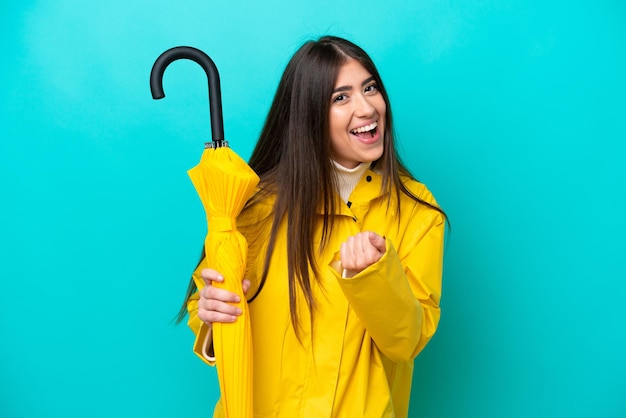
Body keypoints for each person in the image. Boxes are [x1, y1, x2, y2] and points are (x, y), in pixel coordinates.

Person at [176, 35, 447, 417]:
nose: (367, 107)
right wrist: (210, 316)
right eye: (341, 97)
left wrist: (373, 277)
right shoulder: (253, 205)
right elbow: (206, 309)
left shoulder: (416, 212)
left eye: (370, 88)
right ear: (308, 114)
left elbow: (406, 341)